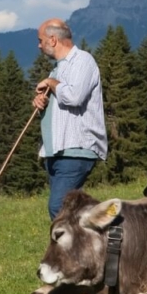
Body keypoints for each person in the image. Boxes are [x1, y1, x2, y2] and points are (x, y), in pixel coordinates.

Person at [32, 18, 107, 220]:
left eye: (41, 40)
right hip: (57, 150)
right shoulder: (58, 68)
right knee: (72, 210)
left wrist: (50, 82)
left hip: (76, 148)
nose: (39, 45)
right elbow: (62, 108)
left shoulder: (83, 61)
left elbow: (74, 97)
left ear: (53, 40)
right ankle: (94, 243)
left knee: (59, 207)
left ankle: (73, 250)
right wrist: (43, 104)